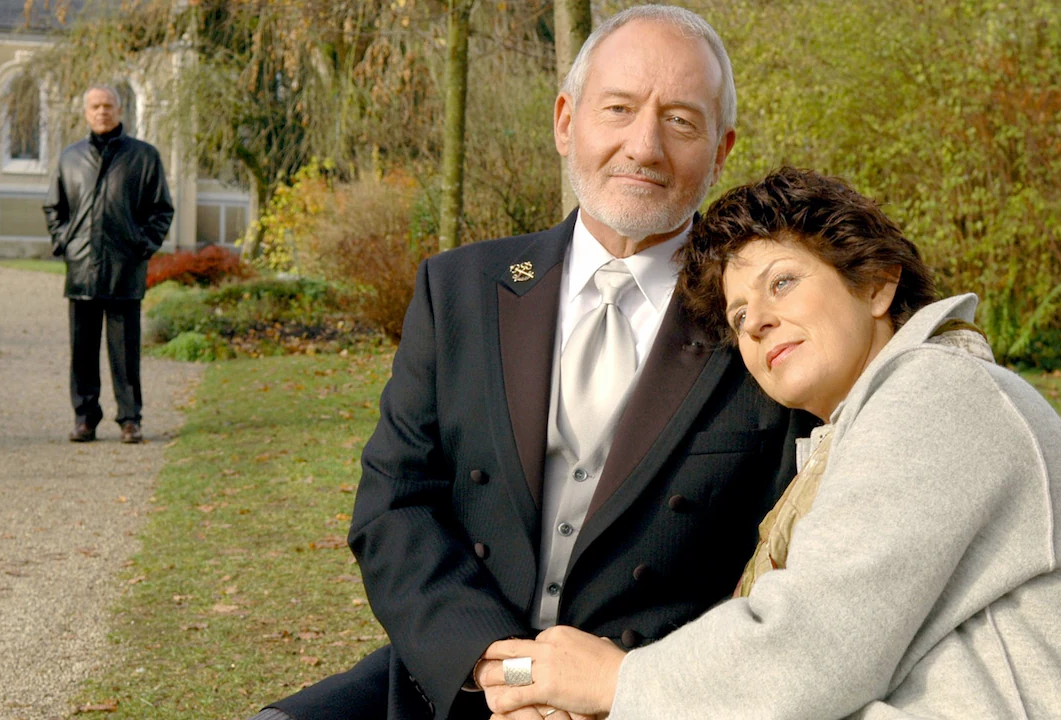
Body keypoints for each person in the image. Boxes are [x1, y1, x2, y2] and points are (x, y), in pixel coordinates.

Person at [250, 6, 817, 720]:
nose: (643, 146)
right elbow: (396, 505)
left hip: (644, 697)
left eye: (680, 120)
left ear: (721, 149)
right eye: (618, 109)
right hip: (457, 677)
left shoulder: (764, 324)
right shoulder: (457, 290)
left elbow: (793, 578)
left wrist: (615, 690)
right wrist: (505, 670)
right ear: (564, 122)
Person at [474, 167, 1061, 719]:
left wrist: (612, 682)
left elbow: (812, 646)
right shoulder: (866, 423)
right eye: (738, 315)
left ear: (876, 283)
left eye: (783, 283)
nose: (757, 323)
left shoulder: (938, 393)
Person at [43, 85, 174, 444]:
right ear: (86, 112)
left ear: (119, 110)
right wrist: (66, 243)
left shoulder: (144, 157)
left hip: (124, 270)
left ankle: (130, 419)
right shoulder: (70, 157)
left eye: (108, 105)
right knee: (82, 352)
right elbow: (54, 207)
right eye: (95, 106)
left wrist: (142, 246)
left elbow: (161, 209)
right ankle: (85, 418)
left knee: (125, 352)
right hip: (82, 270)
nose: (101, 111)